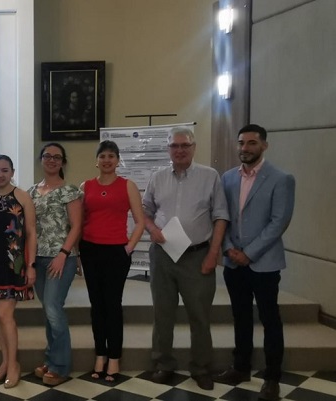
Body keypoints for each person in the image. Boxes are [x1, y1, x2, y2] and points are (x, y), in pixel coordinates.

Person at [212, 124, 295, 401]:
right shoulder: (227, 178)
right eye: (241, 143)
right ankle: (241, 367)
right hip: (234, 262)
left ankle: (272, 378)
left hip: (264, 263)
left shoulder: (281, 179)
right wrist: (228, 249)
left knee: (270, 319)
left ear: (264, 146)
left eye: (251, 143)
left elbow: (278, 222)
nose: (244, 148)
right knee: (241, 317)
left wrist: (250, 252)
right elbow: (221, 217)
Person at [142, 127, 229, 390]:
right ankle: (162, 364)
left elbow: (221, 215)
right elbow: (144, 211)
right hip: (164, 255)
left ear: (193, 147)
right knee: (163, 314)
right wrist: (152, 229)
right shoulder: (157, 177)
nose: (179, 150)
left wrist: (213, 254)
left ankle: (201, 367)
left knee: (200, 315)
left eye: (185, 145)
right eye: (174, 146)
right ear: (168, 149)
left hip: (197, 255)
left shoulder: (210, 176)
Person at [78, 140, 145, 383]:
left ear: (118, 161)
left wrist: (128, 248)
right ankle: (100, 354)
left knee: (112, 305)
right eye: (102, 156)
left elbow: (140, 221)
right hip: (90, 250)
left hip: (116, 252)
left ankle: (114, 357)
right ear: (97, 160)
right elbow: (78, 221)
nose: (106, 160)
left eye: (111, 156)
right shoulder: (85, 186)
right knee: (97, 306)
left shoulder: (127, 186)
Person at [0, 155, 36, 389]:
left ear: (12, 171)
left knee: (5, 316)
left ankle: (14, 365)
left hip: (14, 263)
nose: (0, 174)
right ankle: (4, 362)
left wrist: (30, 265)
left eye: (5, 170)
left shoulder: (22, 197)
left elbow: (31, 232)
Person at [27, 143, 83, 386]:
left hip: (61, 258)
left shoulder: (69, 191)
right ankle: (51, 360)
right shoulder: (31, 192)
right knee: (48, 311)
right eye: (47, 156)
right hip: (37, 258)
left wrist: (63, 253)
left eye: (57, 157)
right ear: (41, 159)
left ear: (63, 162)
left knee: (53, 308)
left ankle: (60, 366)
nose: (51, 160)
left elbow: (77, 226)